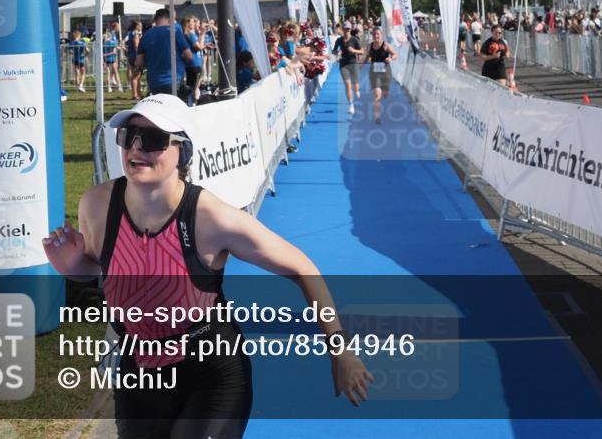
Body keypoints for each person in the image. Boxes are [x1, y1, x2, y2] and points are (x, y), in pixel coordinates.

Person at [42, 95, 372, 438]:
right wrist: (71, 265)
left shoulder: (210, 217)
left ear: (182, 152)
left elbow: (303, 268)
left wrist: (340, 349)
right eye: (128, 136)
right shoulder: (97, 204)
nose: (136, 148)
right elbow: (104, 271)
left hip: (210, 371)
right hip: (137, 369)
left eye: (153, 139)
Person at [135, 9, 194, 99]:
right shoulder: (175, 32)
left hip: (154, 83)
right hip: (174, 81)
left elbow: (139, 62)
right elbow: (189, 56)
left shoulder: (146, 35)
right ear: (169, 19)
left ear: (155, 19)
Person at [365, 27, 397, 124]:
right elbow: (366, 57)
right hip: (374, 73)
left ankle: (385, 91)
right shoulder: (370, 46)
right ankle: (377, 117)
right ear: (372, 36)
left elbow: (395, 54)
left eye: (378, 34)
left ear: (381, 35)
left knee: (385, 94)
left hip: (385, 73)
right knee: (377, 95)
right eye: (374, 34)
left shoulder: (386, 45)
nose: (376, 36)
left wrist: (391, 58)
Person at [332, 22, 363, 114]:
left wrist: (354, 51)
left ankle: (357, 90)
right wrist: (336, 52)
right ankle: (351, 105)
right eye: (345, 29)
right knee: (347, 83)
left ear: (350, 29)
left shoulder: (354, 39)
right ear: (342, 29)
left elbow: (361, 51)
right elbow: (334, 50)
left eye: (348, 29)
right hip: (343, 64)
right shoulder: (339, 40)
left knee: (355, 85)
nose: (346, 31)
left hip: (353, 63)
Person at [125, 21, 144, 100]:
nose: (141, 27)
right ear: (136, 26)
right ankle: (135, 94)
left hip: (131, 55)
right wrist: (138, 56)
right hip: (135, 56)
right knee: (136, 76)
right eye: (140, 25)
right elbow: (136, 45)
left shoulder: (130, 33)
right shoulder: (135, 34)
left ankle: (138, 93)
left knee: (137, 75)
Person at [104, 22, 123, 94]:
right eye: (118, 26)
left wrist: (118, 47)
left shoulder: (113, 35)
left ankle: (115, 85)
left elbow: (114, 45)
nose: (119, 28)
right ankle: (114, 86)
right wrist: (116, 47)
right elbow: (110, 44)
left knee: (113, 71)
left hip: (112, 56)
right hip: (109, 56)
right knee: (111, 72)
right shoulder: (111, 34)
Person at [69, 28, 88, 93]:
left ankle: (78, 87)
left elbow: (67, 50)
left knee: (77, 73)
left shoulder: (72, 42)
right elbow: (88, 50)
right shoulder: (82, 42)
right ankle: (81, 85)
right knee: (83, 73)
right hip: (81, 59)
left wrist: (71, 53)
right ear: (79, 35)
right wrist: (85, 55)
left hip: (74, 59)